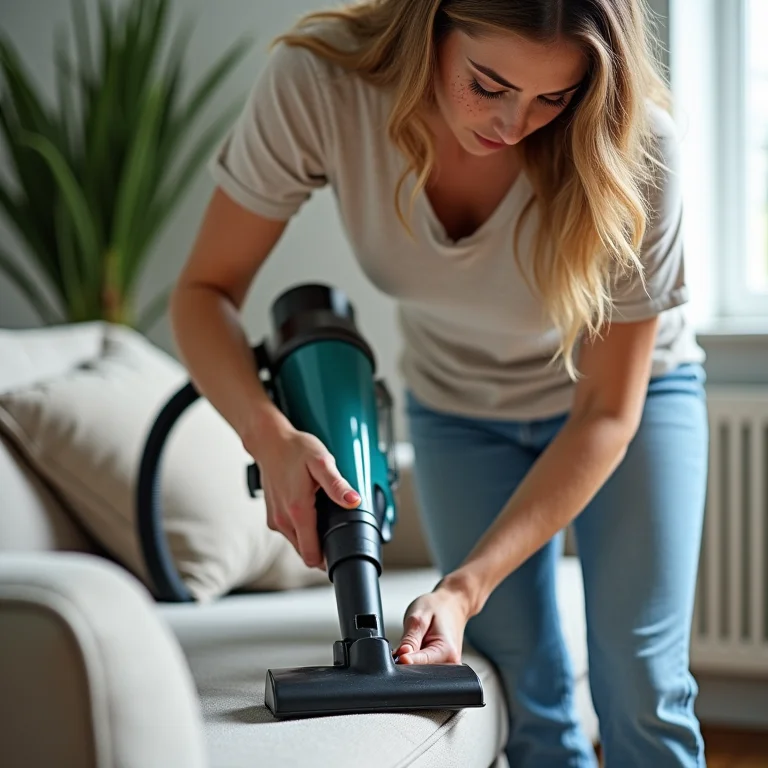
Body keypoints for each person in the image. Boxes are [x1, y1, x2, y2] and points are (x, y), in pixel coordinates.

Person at [170, 1, 709, 765]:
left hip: (629, 405)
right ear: (432, 25)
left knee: (643, 686)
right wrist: (269, 433)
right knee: (523, 689)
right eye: (488, 84)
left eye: (553, 98)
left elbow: (604, 413)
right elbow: (203, 293)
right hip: (459, 408)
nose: (514, 125)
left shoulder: (638, 145)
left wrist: (465, 586)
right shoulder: (321, 86)